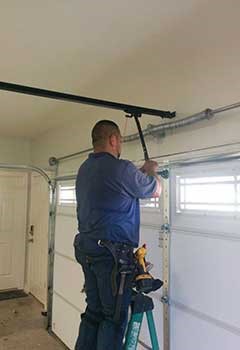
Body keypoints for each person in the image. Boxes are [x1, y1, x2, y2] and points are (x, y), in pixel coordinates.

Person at [73, 120, 161, 350]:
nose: (120, 145)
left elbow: (121, 186)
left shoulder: (85, 169)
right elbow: (155, 190)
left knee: (94, 312)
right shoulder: (121, 168)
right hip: (110, 257)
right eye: (120, 141)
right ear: (113, 139)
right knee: (112, 319)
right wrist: (151, 171)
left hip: (87, 248)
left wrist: (138, 173)